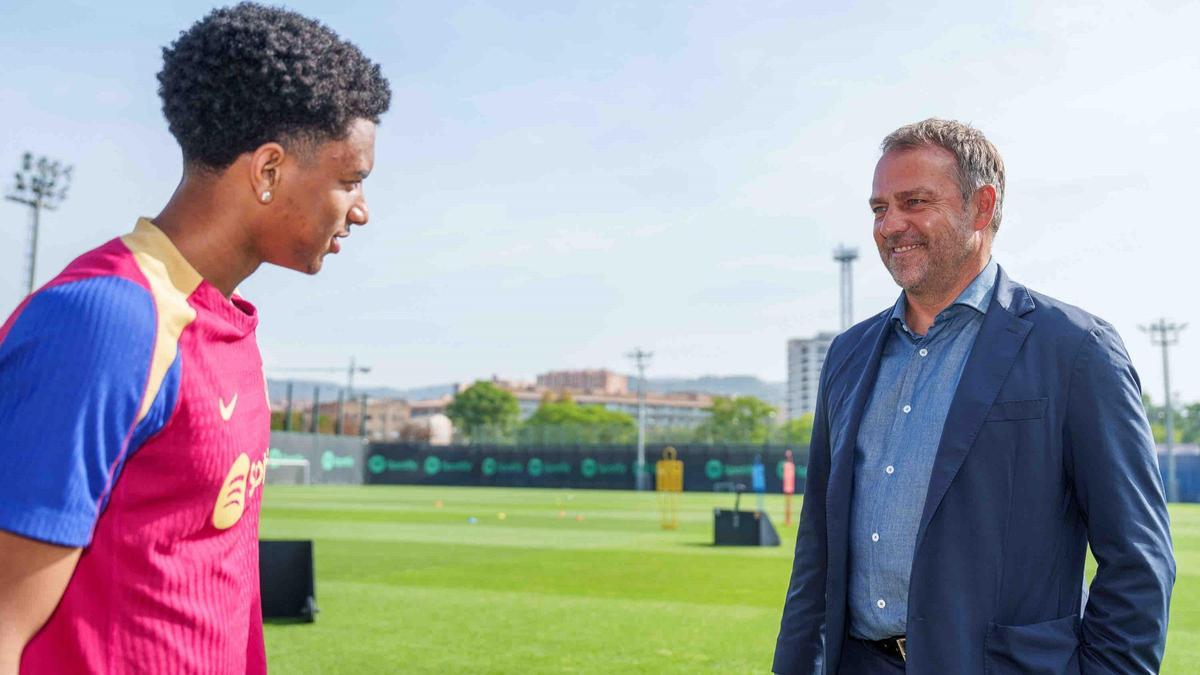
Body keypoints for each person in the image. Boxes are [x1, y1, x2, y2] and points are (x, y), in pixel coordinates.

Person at [0, 4, 390, 672]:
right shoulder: (107, 320)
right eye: (349, 180)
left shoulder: (229, 325)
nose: (360, 210)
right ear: (268, 170)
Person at [773, 119, 1174, 674]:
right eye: (878, 208)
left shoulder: (1078, 350)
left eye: (914, 202)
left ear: (981, 208)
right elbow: (815, 550)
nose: (891, 225)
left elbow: (1138, 560)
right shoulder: (847, 354)